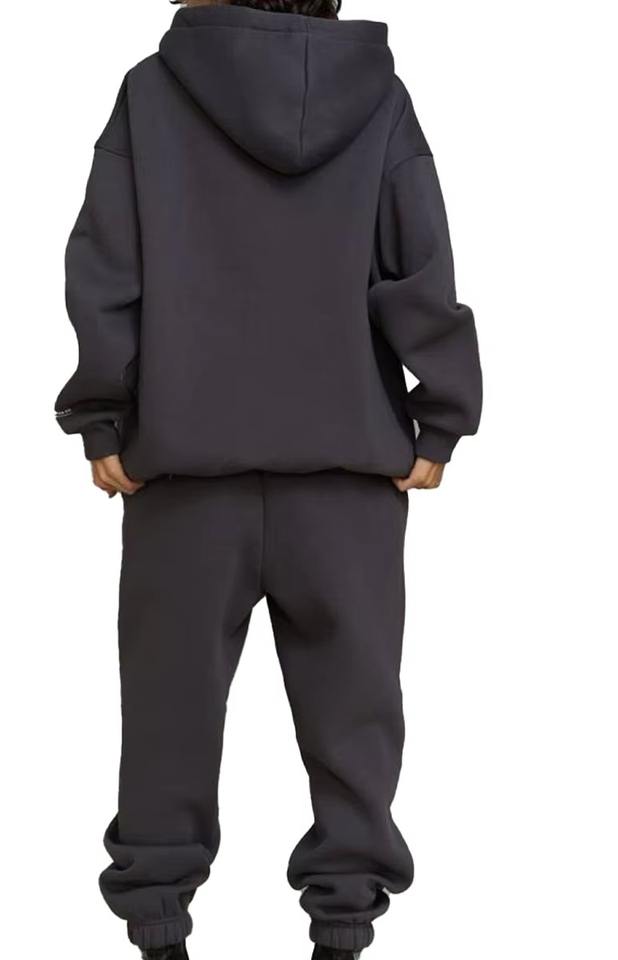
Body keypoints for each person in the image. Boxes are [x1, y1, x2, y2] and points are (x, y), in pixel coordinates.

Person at [55, 0, 482, 957]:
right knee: (354, 713)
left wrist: (102, 410)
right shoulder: (380, 97)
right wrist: (444, 407)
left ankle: (158, 925)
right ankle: (344, 925)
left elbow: (107, 262)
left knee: (167, 710)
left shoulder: (152, 94)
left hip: (183, 467)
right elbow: (418, 260)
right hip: (347, 472)